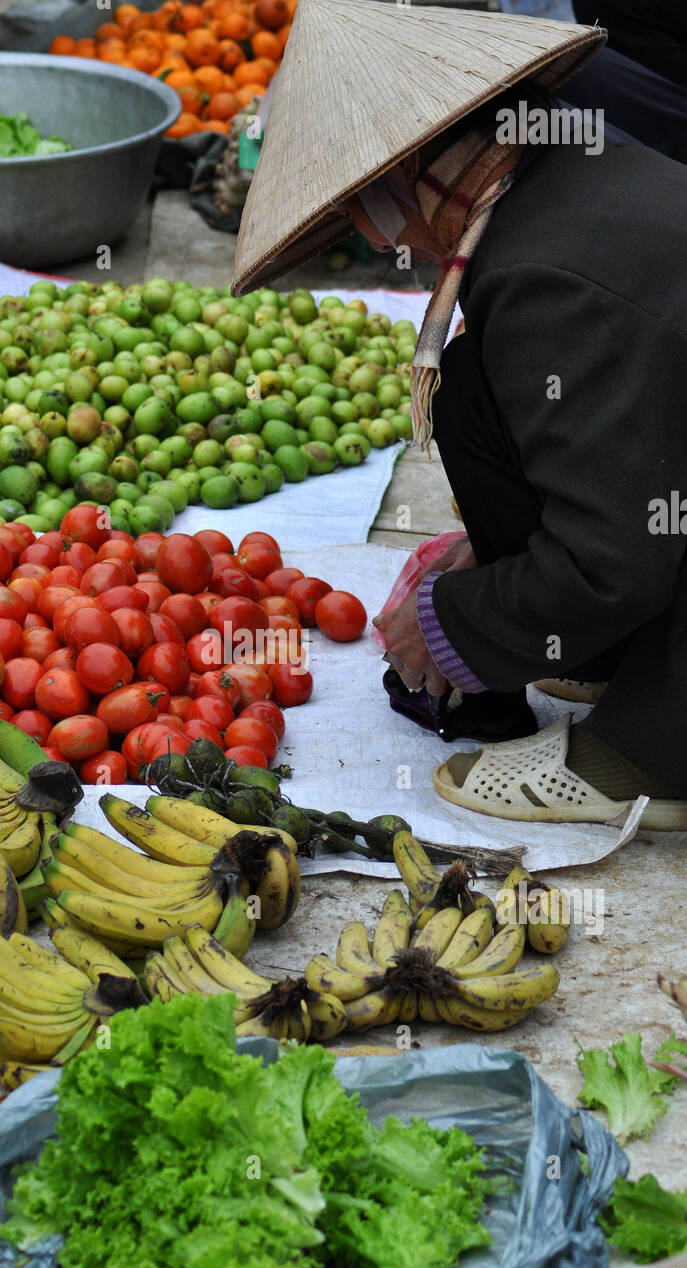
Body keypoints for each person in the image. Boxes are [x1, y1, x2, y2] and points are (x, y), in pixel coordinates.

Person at [233, 0, 687, 830]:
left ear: (403, 176)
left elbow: (612, 560)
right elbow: (624, 437)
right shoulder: (572, 184)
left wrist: (455, 621)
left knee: (603, 564)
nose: (372, 243)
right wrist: (504, 559)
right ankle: (607, 652)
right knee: (474, 385)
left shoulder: (545, 276)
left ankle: (651, 756)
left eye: (356, 213)